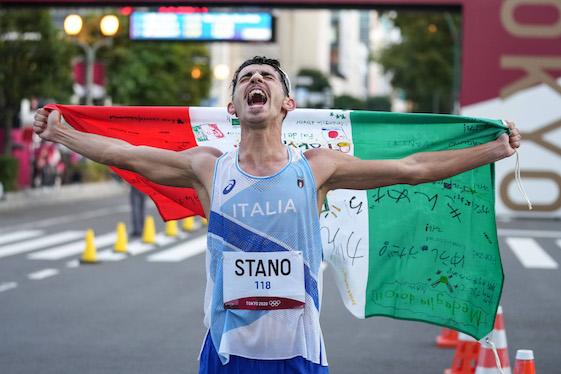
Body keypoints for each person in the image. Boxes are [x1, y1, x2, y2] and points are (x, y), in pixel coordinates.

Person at [33, 56, 521, 374]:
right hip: (225, 353)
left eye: (267, 77)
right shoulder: (208, 167)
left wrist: (492, 149)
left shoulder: (318, 168)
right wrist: (61, 134)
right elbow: (128, 154)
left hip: (299, 354)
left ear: (286, 103)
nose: (256, 81)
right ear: (233, 106)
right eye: (246, 78)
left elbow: (412, 168)